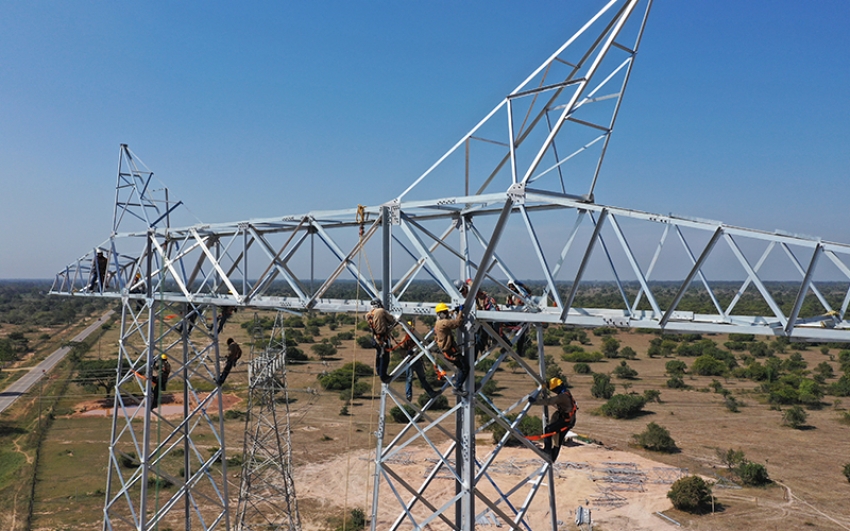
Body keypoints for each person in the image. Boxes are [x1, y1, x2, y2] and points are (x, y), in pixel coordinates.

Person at [528, 377, 578, 462]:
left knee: (548, 429)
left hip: (566, 421)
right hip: (569, 420)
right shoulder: (566, 393)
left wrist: (534, 401)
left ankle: (547, 451)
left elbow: (549, 401)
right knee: (557, 440)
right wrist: (546, 385)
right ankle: (552, 458)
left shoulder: (562, 396)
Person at [393, 321, 438, 401]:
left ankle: (431, 393)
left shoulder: (416, 337)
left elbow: (423, 344)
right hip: (410, 361)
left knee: (422, 378)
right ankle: (408, 395)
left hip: (417, 360)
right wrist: (407, 354)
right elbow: (401, 350)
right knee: (409, 378)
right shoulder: (405, 339)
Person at [434, 302, 468, 395]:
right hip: (451, 351)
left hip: (447, 351)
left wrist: (455, 311)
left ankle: (459, 385)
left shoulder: (438, 322)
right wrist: (460, 311)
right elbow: (457, 323)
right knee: (464, 368)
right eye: (445, 312)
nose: (447, 313)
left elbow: (449, 319)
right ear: (441, 314)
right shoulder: (443, 322)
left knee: (461, 368)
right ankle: (457, 387)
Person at [367, 299, 396, 383]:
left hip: (375, 338)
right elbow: (391, 319)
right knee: (385, 357)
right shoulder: (381, 311)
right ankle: (384, 377)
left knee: (379, 355)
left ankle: (379, 372)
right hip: (383, 338)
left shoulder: (369, 314)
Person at [505, 281, 531, 356]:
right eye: (510, 286)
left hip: (522, 317)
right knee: (502, 326)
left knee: (520, 336)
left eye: (512, 286)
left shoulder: (522, 294)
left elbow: (529, 293)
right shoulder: (510, 296)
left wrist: (522, 285)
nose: (511, 288)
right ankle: (506, 344)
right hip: (513, 317)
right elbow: (508, 303)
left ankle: (519, 351)